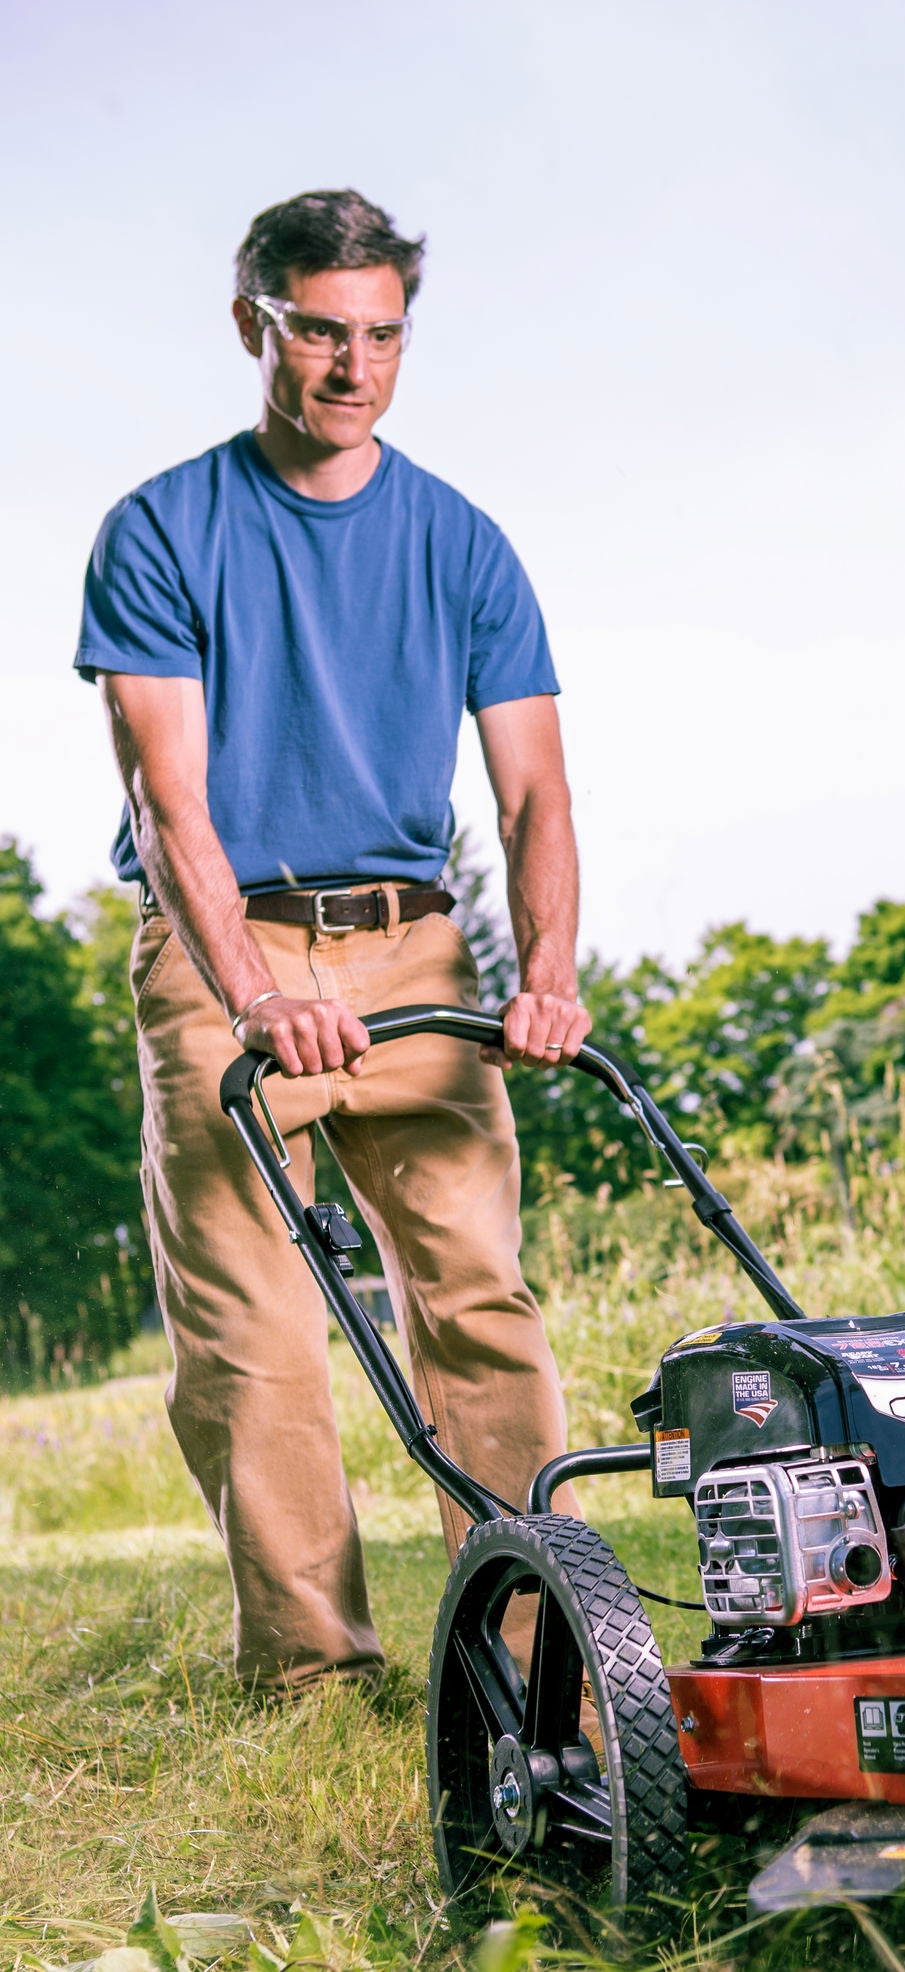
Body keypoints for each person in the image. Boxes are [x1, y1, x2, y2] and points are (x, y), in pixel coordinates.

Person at [75, 187, 592, 1693]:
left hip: (416, 954)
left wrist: (546, 971)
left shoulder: (464, 542)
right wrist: (249, 994)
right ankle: (313, 1675)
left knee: (478, 1296)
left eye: (381, 335)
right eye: (319, 332)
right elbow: (169, 802)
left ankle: (529, 1648)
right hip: (217, 947)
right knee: (258, 1336)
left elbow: (537, 790)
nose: (352, 367)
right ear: (257, 326)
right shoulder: (164, 527)